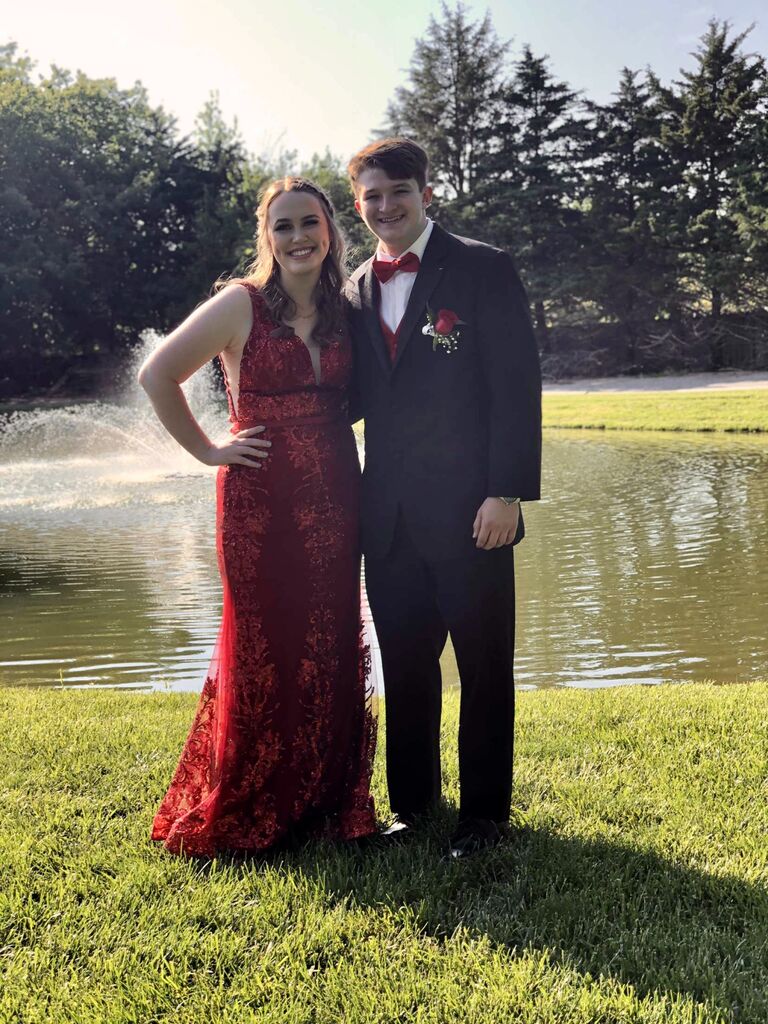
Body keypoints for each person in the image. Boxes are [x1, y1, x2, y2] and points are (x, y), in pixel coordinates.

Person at [139, 177, 377, 858]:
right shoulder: (239, 305)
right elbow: (157, 375)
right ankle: (253, 802)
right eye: (284, 227)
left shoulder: (345, 308)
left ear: (330, 229)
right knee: (263, 642)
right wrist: (210, 449)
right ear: (266, 237)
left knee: (331, 639)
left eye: (310, 223)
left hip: (334, 496)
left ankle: (331, 802)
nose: (298, 237)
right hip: (257, 499)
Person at [345, 138, 542, 859]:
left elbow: (517, 386)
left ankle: (485, 817)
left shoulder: (483, 268)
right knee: (406, 665)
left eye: (398, 190)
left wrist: (507, 492)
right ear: (358, 204)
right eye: (371, 195)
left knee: (486, 666)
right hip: (388, 520)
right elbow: (353, 399)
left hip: (473, 513)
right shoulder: (353, 289)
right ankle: (414, 807)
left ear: (427, 193)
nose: (386, 205)